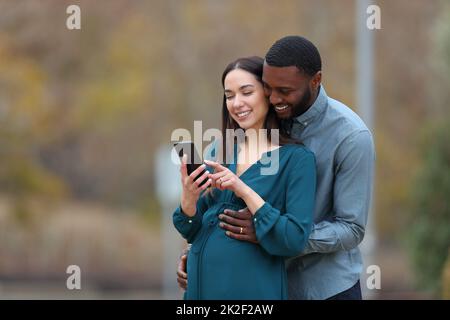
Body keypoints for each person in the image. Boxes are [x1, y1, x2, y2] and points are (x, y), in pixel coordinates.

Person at [177, 36, 375, 300]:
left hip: (322, 287)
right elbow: (216, 212)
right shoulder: (249, 133)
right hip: (259, 284)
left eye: (284, 90)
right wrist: (198, 252)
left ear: (315, 81)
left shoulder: (351, 136)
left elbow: (351, 228)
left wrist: (269, 232)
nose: (274, 98)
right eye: (268, 89)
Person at [172, 56, 316, 299]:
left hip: (252, 290)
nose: (237, 103)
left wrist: (243, 190)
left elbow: (293, 239)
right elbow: (192, 230)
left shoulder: (298, 160)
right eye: (229, 95)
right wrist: (189, 198)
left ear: (267, 94)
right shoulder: (220, 150)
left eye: (246, 92)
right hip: (201, 290)